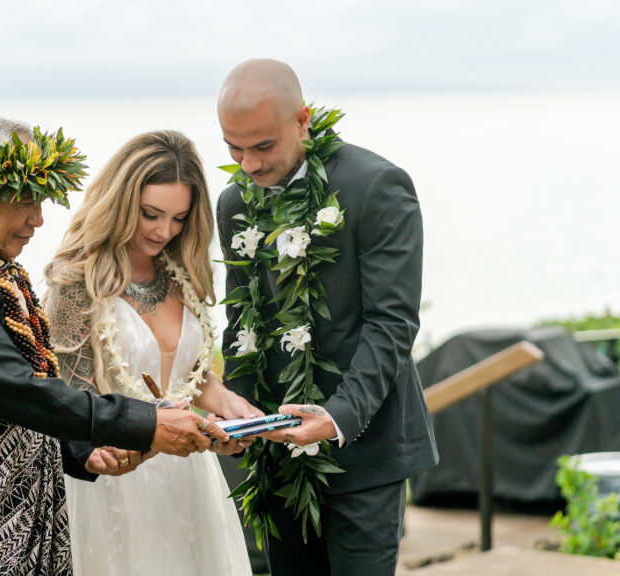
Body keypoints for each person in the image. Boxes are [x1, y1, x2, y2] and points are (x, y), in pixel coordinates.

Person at [0, 116, 228, 576]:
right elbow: (19, 391)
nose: (39, 219)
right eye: (27, 201)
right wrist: (147, 422)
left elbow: (14, 399)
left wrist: (79, 450)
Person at [215, 59, 439, 576]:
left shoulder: (376, 185)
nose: (247, 164)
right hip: (278, 450)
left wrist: (336, 418)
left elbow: (392, 324)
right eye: (233, 147)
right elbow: (242, 324)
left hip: (366, 449)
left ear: (303, 120)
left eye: (263, 146)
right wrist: (237, 411)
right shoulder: (234, 204)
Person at [43, 130, 258, 575]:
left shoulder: (184, 272)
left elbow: (191, 378)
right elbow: (70, 400)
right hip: (114, 479)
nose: (165, 231)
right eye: (151, 214)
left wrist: (234, 409)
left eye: (180, 218)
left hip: (191, 480)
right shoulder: (76, 282)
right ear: (122, 203)